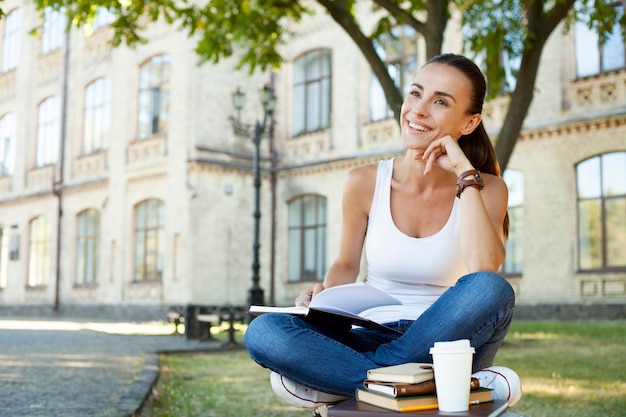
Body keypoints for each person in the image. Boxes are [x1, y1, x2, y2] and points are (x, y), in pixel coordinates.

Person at [245, 53, 521, 414]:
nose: (418, 110)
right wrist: (324, 297)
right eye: (415, 94)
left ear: (469, 123)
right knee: (264, 332)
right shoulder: (363, 182)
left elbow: (483, 268)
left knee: (491, 288)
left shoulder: (487, 188)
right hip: (368, 332)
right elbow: (346, 264)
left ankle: (345, 382)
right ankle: (439, 386)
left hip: (449, 340)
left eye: (440, 102)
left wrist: (463, 173)